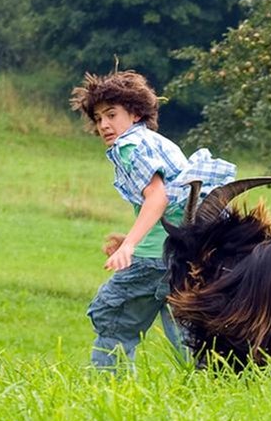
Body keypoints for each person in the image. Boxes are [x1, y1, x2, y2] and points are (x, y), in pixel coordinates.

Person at [70, 70, 236, 371]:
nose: (104, 125)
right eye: (98, 119)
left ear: (134, 113)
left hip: (157, 259)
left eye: (111, 114)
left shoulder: (128, 147)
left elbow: (157, 197)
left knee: (111, 315)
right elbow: (171, 204)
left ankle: (108, 392)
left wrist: (130, 246)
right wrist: (129, 240)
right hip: (183, 253)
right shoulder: (154, 141)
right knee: (188, 329)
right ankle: (209, 389)